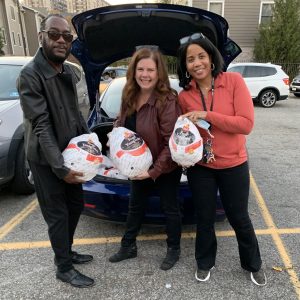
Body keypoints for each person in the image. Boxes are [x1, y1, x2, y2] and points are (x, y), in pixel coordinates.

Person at [176, 33, 267, 286]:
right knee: (204, 218)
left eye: (201, 56)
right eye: (190, 59)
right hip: (201, 166)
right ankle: (205, 262)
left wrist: (207, 114)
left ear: (211, 58)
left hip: (234, 164)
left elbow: (245, 124)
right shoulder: (184, 96)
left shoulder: (234, 82)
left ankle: (252, 264)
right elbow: (183, 132)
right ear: (185, 66)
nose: (196, 63)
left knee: (239, 217)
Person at [17, 14, 94, 288]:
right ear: (42, 36)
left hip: (70, 153)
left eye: (67, 36)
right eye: (54, 34)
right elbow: (41, 125)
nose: (61, 40)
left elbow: (75, 116)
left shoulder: (68, 72)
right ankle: (63, 267)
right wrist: (60, 168)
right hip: (46, 159)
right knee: (57, 215)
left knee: (75, 206)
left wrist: (91, 143)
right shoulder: (30, 75)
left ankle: (67, 250)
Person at [108, 46, 182, 270]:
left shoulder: (167, 100)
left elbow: (172, 142)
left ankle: (174, 249)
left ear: (159, 72)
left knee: (170, 208)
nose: (145, 74)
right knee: (135, 206)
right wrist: (115, 139)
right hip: (138, 164)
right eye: (140, 69)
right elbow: (121, 122)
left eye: (150, 69)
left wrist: (153, 171)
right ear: (133, 71)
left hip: (165, 165)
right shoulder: (129, 94)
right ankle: (128, 246)